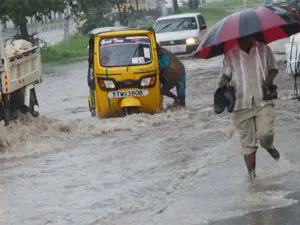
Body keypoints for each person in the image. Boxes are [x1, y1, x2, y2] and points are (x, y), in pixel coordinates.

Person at [219, 36, 280, 179]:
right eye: (239, 38)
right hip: (240, 104)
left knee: (265, 134)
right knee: (248, 144)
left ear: (251, 35)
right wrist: (223, 81)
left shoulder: (264, 49)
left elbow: (274, 68)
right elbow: (226, 74)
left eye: (245, 37)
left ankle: (269, 147)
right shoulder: (230, 54)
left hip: (262, 101)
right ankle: (252, 179)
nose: (242, 40)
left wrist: (267, 81)